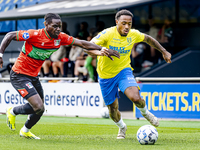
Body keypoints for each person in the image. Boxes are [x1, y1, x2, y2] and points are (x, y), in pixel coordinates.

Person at [0, 13, 120, 139]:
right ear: (46, 25)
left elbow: (82, 43)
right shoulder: (34, 34)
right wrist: (1, 55)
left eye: (60, 26)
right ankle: (12, 111)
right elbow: (10, 35)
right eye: (55, 26)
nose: (58, 29)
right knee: (38, 106)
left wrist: (103, 49)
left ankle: (25, 130)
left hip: (34, 76)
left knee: (40, 109)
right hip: (19, 74)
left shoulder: (61, 38)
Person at [88, 9, 171, 139]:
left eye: (129, 24)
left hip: (123, 71)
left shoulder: (133, 34)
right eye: (124, 23)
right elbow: (89, 47)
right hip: (106, 76)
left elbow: (148, 39)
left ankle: (146, 113)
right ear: (117, 22)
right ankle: (122, 127)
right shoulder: (107, 34)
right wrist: (101, 52)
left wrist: (163, 51)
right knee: (113, 110)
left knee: (136, 98)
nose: (127, 27)